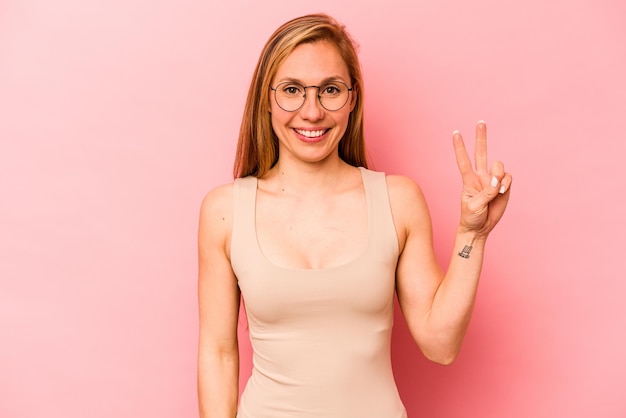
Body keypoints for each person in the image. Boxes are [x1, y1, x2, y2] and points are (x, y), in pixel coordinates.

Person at [197, 13, 512, 418]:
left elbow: (441, 344)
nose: (311, 112)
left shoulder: (398, 200)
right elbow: (219, 354)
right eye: (292, 90)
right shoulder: (224, 212)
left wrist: (473, 235)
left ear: (352, 99)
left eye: (330, 90)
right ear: (267, 98)